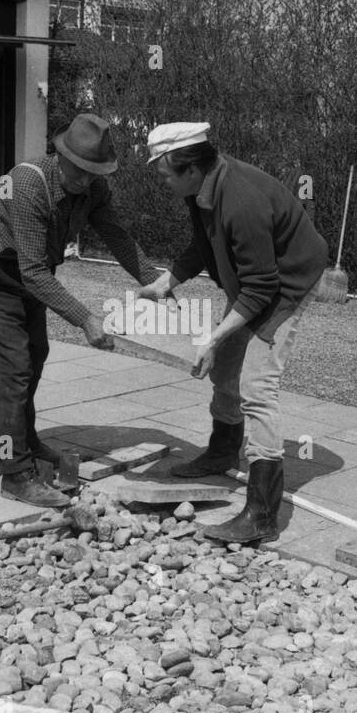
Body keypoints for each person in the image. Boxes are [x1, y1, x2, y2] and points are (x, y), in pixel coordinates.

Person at [138, 122, 328, 544]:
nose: (162, 181)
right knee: (225, 373)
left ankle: (261, 514)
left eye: (165, 174)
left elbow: (262, 288)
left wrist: (213, 337)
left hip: (287, 285)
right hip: (257, 283)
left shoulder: (240, 199)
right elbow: (203, 246)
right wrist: (168, 282)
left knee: (256, 386)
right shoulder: (201, 189)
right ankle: (223, 449)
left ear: (189, 168)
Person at [0, 113, 161, 507]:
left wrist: (153, 282)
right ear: (60, 154)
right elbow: (34, 272)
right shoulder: (27, 184)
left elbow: (116, 235)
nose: (85, 179)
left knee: (35, 354)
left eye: (94, 171)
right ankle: (14, 473)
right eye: (80, 169)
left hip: (31, 269)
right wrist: (86, 319)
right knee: (11, 366)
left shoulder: (93, 189)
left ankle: (27, 440)